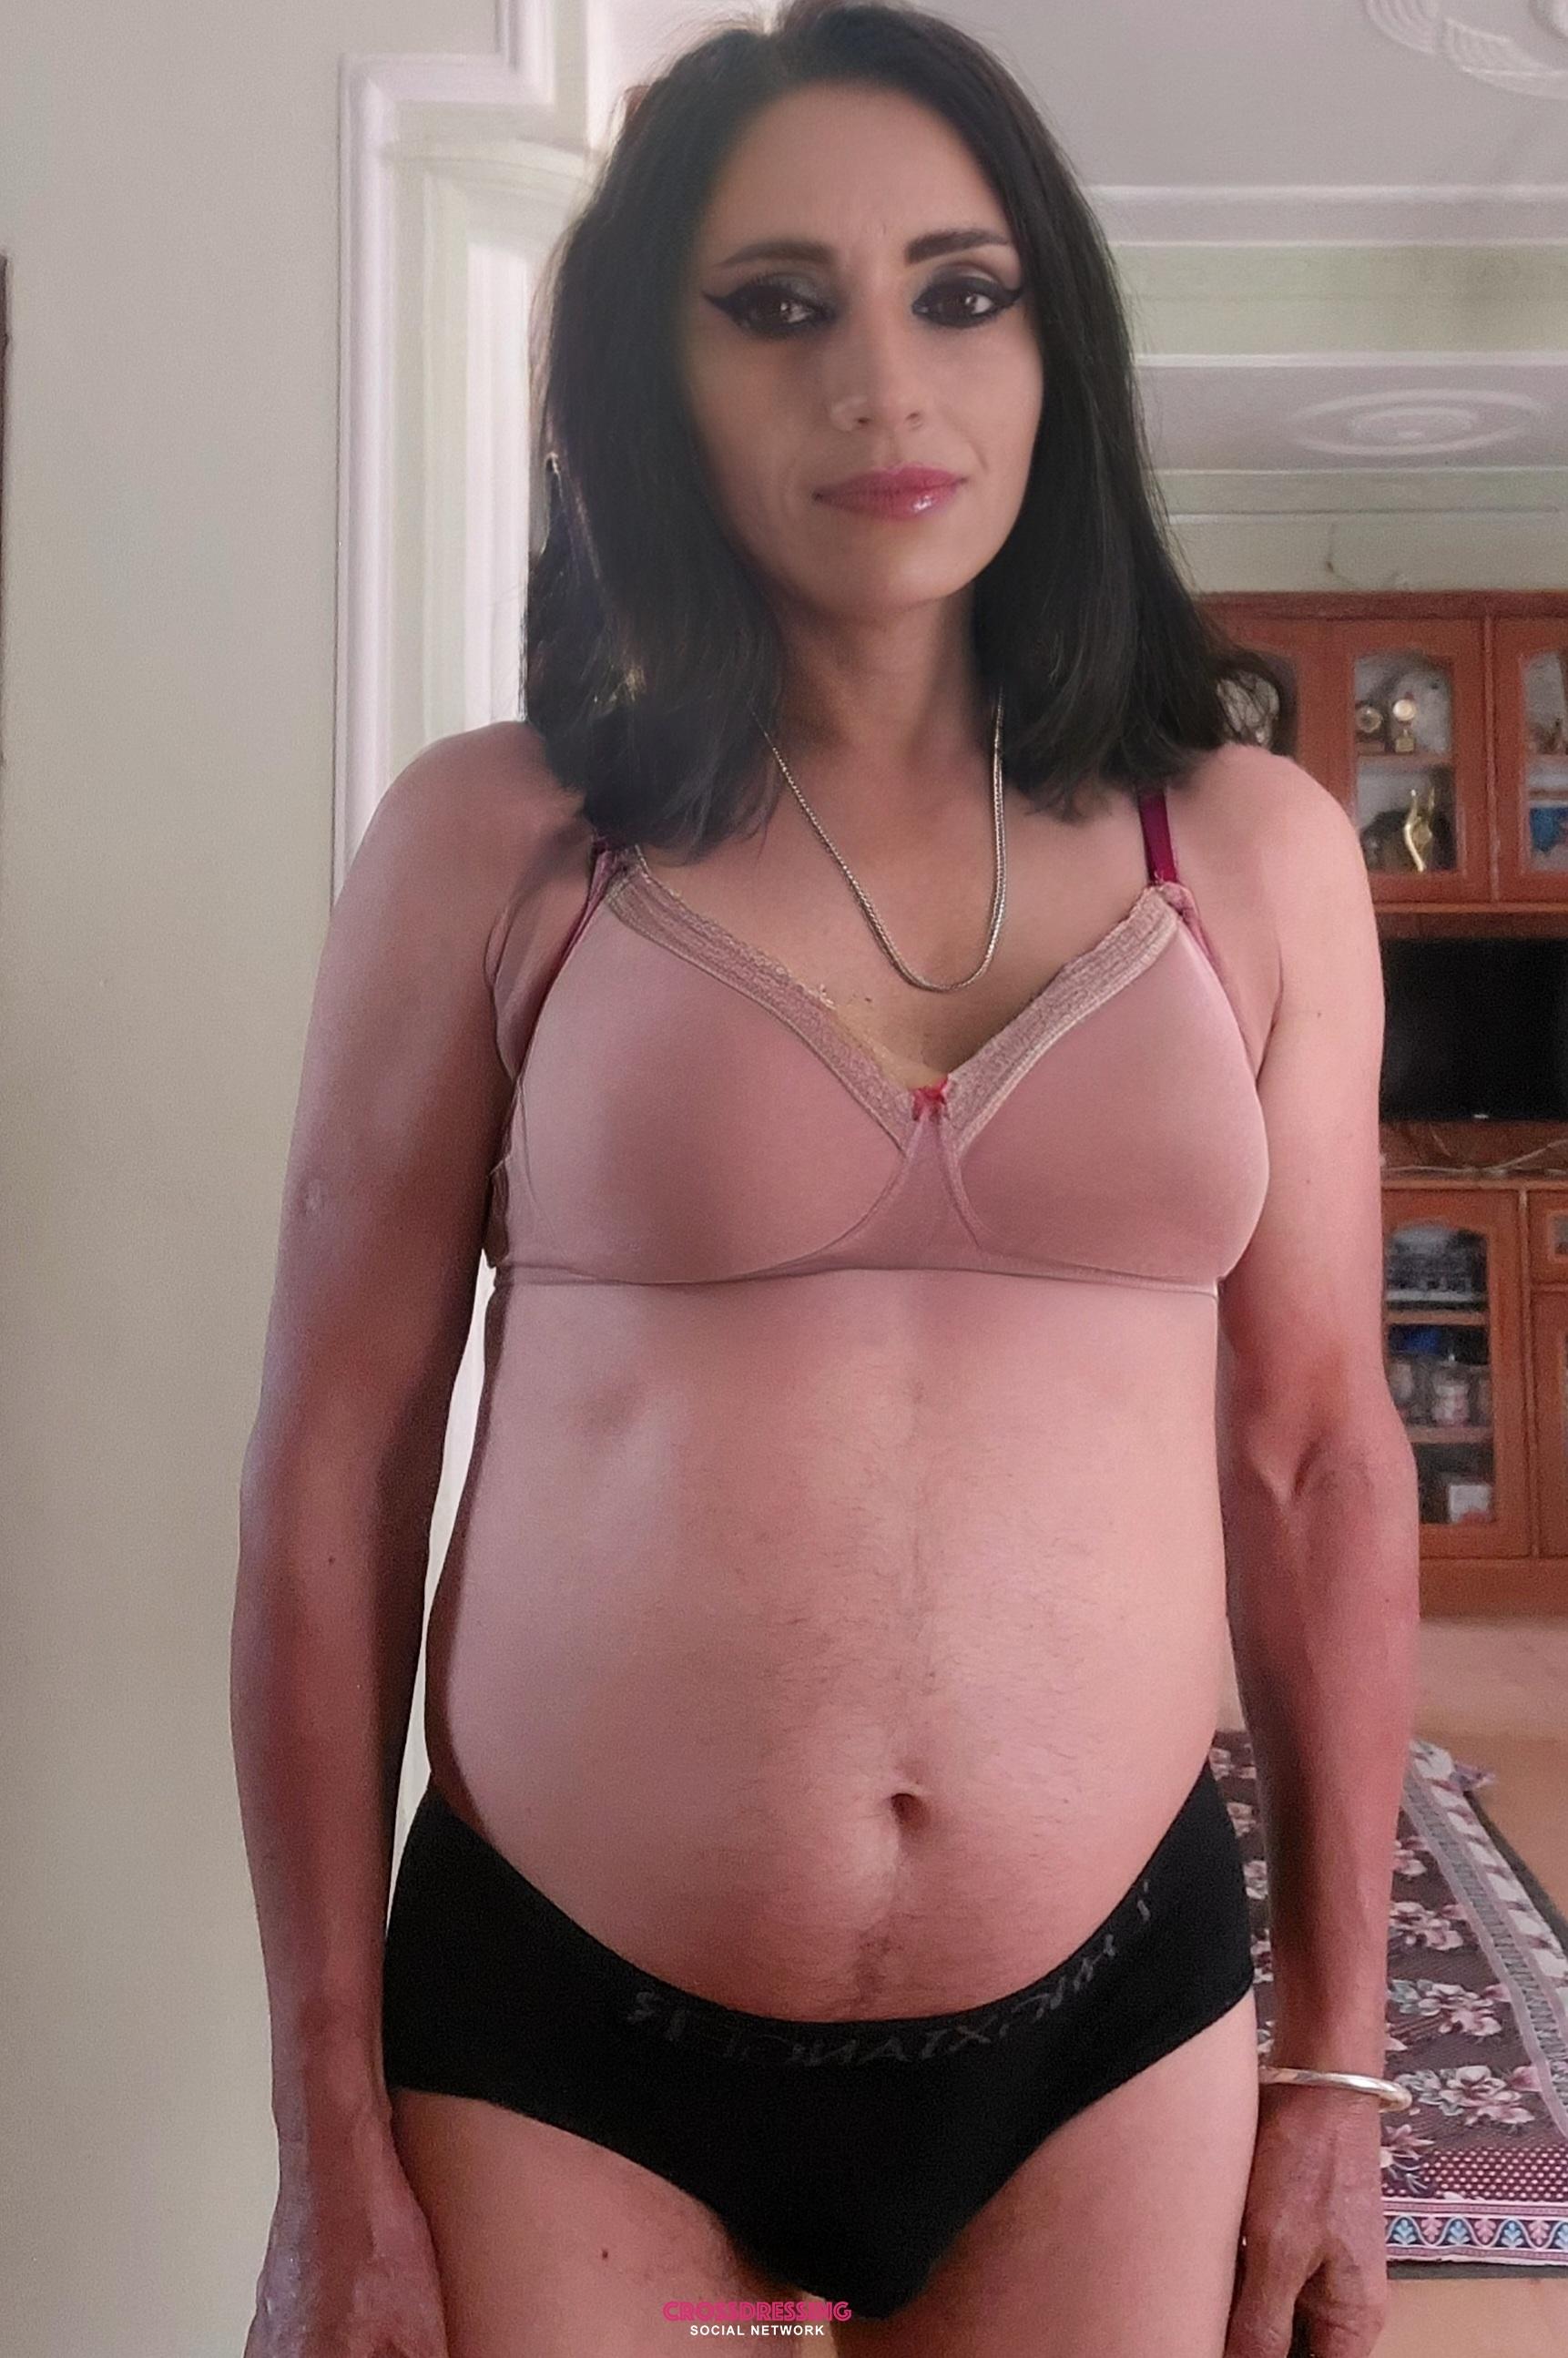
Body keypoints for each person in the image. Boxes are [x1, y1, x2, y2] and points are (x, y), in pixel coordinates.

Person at [230, 5, 1421, 2353]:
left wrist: (1341, 2067)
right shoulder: (498, 844)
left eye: (961, 295)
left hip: (1105, 2041)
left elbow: (1313, 1456)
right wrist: (324, 2131)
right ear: (653, 378)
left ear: (1056, 350)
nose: (886, 385)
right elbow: (334, 1470)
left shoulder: (1258, 852)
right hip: (563, 2033)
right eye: (778, 306)